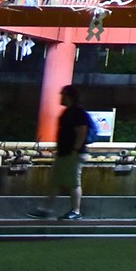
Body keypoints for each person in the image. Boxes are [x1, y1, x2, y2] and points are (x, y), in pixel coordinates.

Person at [36, 84, 96, 221]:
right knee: (56, 181)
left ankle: (75, 211)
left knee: (73, 182)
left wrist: (75, 149)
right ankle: (46, 209)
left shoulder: (76, 112)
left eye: (62, 94)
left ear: (69, 96)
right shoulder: (70, 112)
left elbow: (82, 131)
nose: (60, 97)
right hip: (66, 152)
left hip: (72, 153)